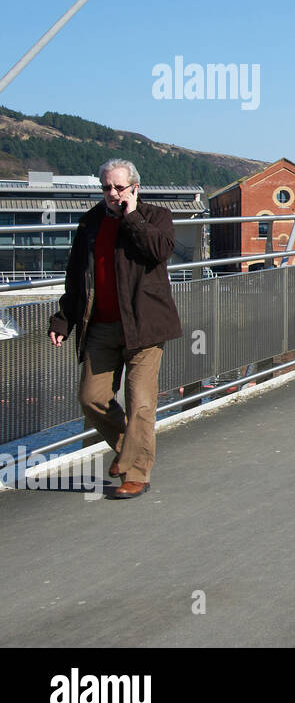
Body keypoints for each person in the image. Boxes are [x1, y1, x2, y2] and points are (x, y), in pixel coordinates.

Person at [48, 159, 182, 500]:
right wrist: (64, 319)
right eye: (106, 187)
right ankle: (129, 449)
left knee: (140, 404)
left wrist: (131, 215)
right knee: (91, 398)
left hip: (144, 326)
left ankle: (136, 474)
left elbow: (160, 251)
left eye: (118, 187)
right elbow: (77, 276)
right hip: (102, 325)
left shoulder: (156, 217)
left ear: (135, 187)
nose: (111, 193)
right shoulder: (90, 223)